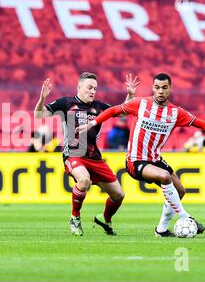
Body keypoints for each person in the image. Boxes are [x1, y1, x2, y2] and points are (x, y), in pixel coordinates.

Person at [78, 73, 205, 237]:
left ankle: (161, 230)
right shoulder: (140, 104)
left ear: (170, 89)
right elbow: (113, 111)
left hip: (155, 159)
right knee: (165, 177)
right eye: (157, 87)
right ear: (153, 88)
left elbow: (200, 123)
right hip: (135, 160)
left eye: (164, 88)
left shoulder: (176, 113)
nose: (160, 91)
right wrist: (92, 123)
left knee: (180, 191)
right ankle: (186, 217)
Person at [34, 72, 139, 236]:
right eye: (89, 87)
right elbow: (38, 115)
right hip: (74, 154)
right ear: (79, 87)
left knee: (119, 195)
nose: (92, 91)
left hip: (95, 158)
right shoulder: (66, 103)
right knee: (84, 181)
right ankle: (75, 217)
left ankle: (104, 218)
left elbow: (122, 112)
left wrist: (130, 95)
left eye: (95, 89)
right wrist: (42, 99)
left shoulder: (99, 106)